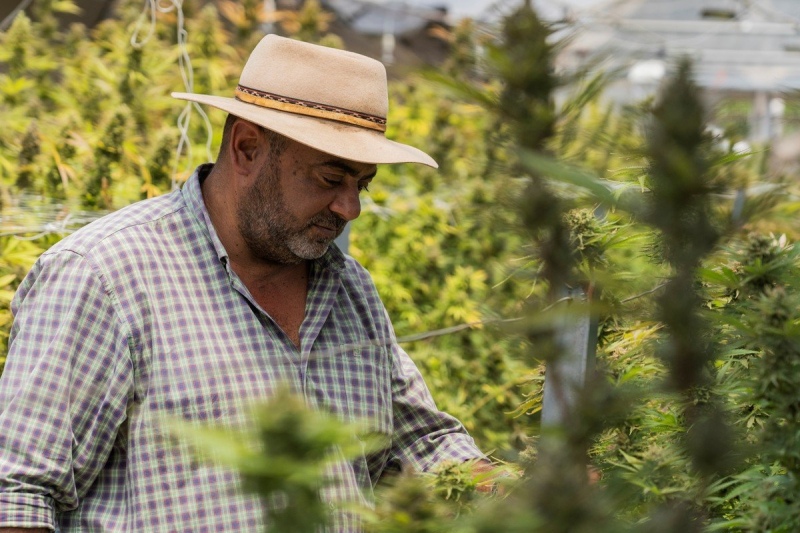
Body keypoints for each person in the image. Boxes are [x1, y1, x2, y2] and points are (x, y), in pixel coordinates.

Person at [0, 35, 487, 532]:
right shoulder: (105, 277)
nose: (350, 208)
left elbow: (420, 447)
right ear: (248, 148)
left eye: (361, 184)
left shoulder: (348, 290)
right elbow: (16, 497)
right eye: (330, 178)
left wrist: (520, 486)